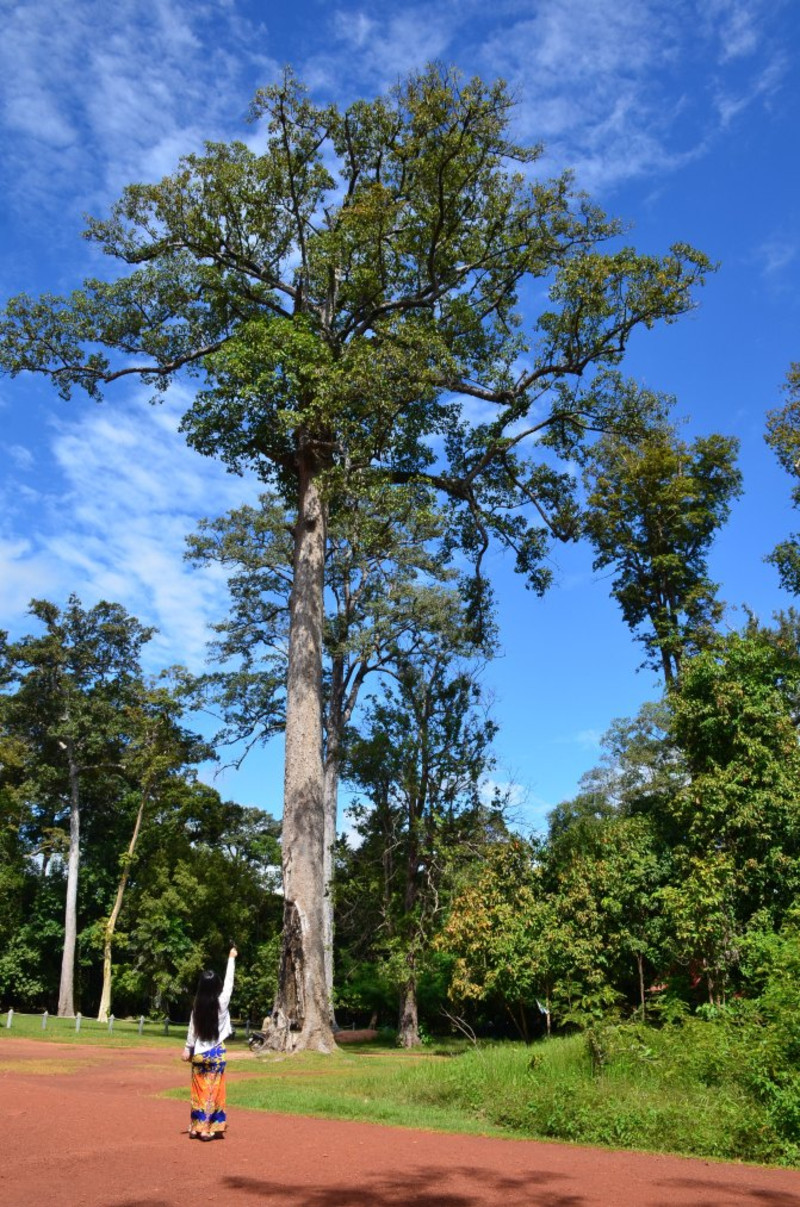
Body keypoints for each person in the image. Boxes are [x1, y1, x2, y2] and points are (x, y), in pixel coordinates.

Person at [182, 946, 237, 1140]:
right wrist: (231, 957)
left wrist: (187, 1049)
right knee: (213, 1091)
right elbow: (229, 983)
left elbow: (192, 1030)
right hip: (216, 1053)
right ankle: (206, 1128)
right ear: (217, 987)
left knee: (198, 1090)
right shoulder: (221, 1003)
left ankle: (195, 1127)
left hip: (199, 1053)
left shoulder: (197, 1006)